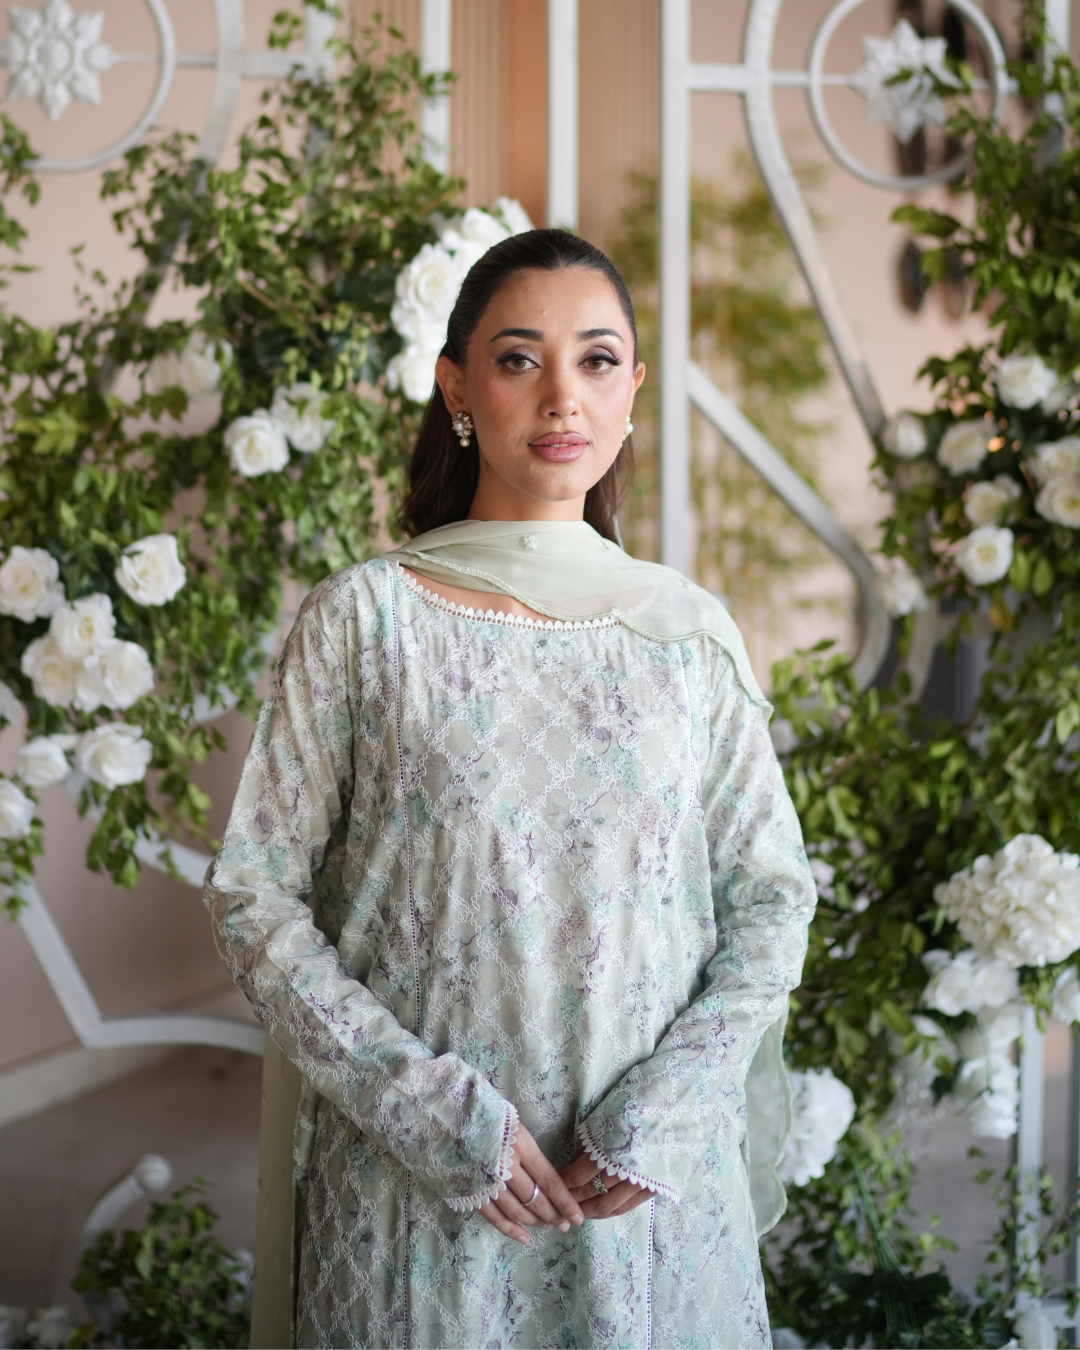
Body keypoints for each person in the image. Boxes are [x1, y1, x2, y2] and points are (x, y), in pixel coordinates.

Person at [205, 228, 817, 1350]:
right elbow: (255, 894)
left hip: (640, 1196)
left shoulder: (684, 636)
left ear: (633, 390)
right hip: (418, 1200)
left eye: (596, 360)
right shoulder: (367, 621)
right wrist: (428, 1113)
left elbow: (772, 898)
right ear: (457, 387)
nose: (560, 397)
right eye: (520, 358)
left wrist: (667, 1111)